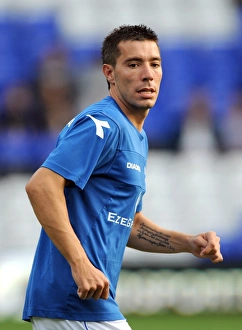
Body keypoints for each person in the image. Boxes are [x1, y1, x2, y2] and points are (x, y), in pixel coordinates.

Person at [22, 24, 223, 330]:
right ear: (109, 73)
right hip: (74, 301)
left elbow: (130, 223)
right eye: (133, 64)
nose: (147, 73)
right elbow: (41, 185)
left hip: (85, 303)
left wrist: (188, 243)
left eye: (154, 64)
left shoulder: (136, 137)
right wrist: (80, 263)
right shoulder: (102, 124)